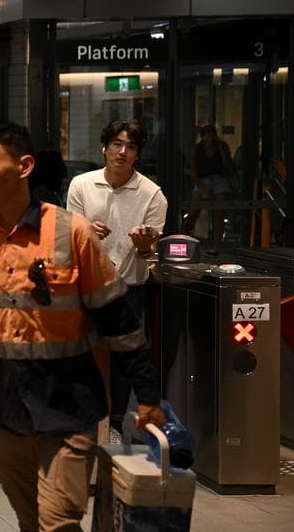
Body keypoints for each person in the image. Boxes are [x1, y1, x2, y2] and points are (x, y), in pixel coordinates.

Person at [0, 118, 164, 532]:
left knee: (59, 523)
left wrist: (147, 396)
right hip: (2, 412)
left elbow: (118, 319)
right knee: (30, 521)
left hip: (68, 408)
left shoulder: (71, 233)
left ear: (23, 166)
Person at [66, 120, 166, 431]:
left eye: (131, 146)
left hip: (129, 287)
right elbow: (67, 240)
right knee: (82, 349)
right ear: (105, 147)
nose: (122, 152)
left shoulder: (152, 194)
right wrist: (85, 232)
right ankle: (85, 416)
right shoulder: (81, 185)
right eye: (117, 144)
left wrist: (144, 244)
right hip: (87, 285)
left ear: (138, 154)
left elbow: (150, 253)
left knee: (126, 356)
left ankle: (117, 421)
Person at [183, 124, 235, 252]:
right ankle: (183, 239)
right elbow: (194, 172)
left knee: (219, 213)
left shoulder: (222, 146)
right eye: (207, 137)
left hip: (219, 178)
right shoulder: (197, 150)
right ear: (202, 138)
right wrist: (202, 189)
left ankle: (217, 246)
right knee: (193, 212)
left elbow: (229, 166)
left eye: (212, 137)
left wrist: (221, 151)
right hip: (202, 179)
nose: (209, 140)